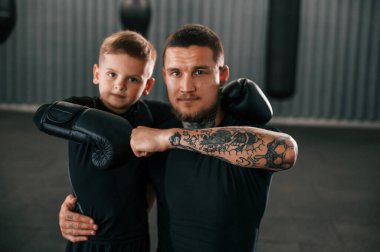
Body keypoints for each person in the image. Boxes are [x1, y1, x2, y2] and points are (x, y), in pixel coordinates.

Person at [58, 24, 298, 251]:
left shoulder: (240, 131)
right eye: (176, 72)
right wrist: (76, 210)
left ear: (222, 75)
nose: (186, 86)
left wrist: (169, 139)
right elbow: (135, 197)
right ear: (163, 75)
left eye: (199, 72)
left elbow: (285, 151)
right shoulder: (155, 124)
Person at [34, 30, 172, 252]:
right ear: (97, 74)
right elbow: (42, 115)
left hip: (133, 237)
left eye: (133, 79)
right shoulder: (82, 108)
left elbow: (189, 115)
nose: (120, 85)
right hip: (87, 236)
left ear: (147, 86)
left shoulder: (150, 116)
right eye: (112, 74)